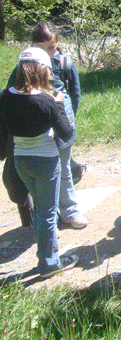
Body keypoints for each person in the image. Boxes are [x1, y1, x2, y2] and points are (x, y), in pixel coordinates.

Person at [0, 47, 77, 278]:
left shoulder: (5, 96)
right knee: (46, 212)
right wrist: (61, 105)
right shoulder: (46, 100)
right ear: (42, 70)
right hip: (45, 161)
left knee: (41, 211)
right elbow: (66, 133)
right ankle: (49, 263)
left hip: (20, 161)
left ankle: (46, 254)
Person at [5, 22, 87, 229]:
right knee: (43, 174)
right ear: (32, 45)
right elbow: (11, 98)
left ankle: (69, 211)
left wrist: (65, 119)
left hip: (62, 125)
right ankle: (46, 217)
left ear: (57, 44)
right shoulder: (21, 69)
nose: (47, 53)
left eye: (50, 48)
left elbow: (75, 95)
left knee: (65, 168)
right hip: (37, 133)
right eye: (41, 49)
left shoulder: (65, 64)